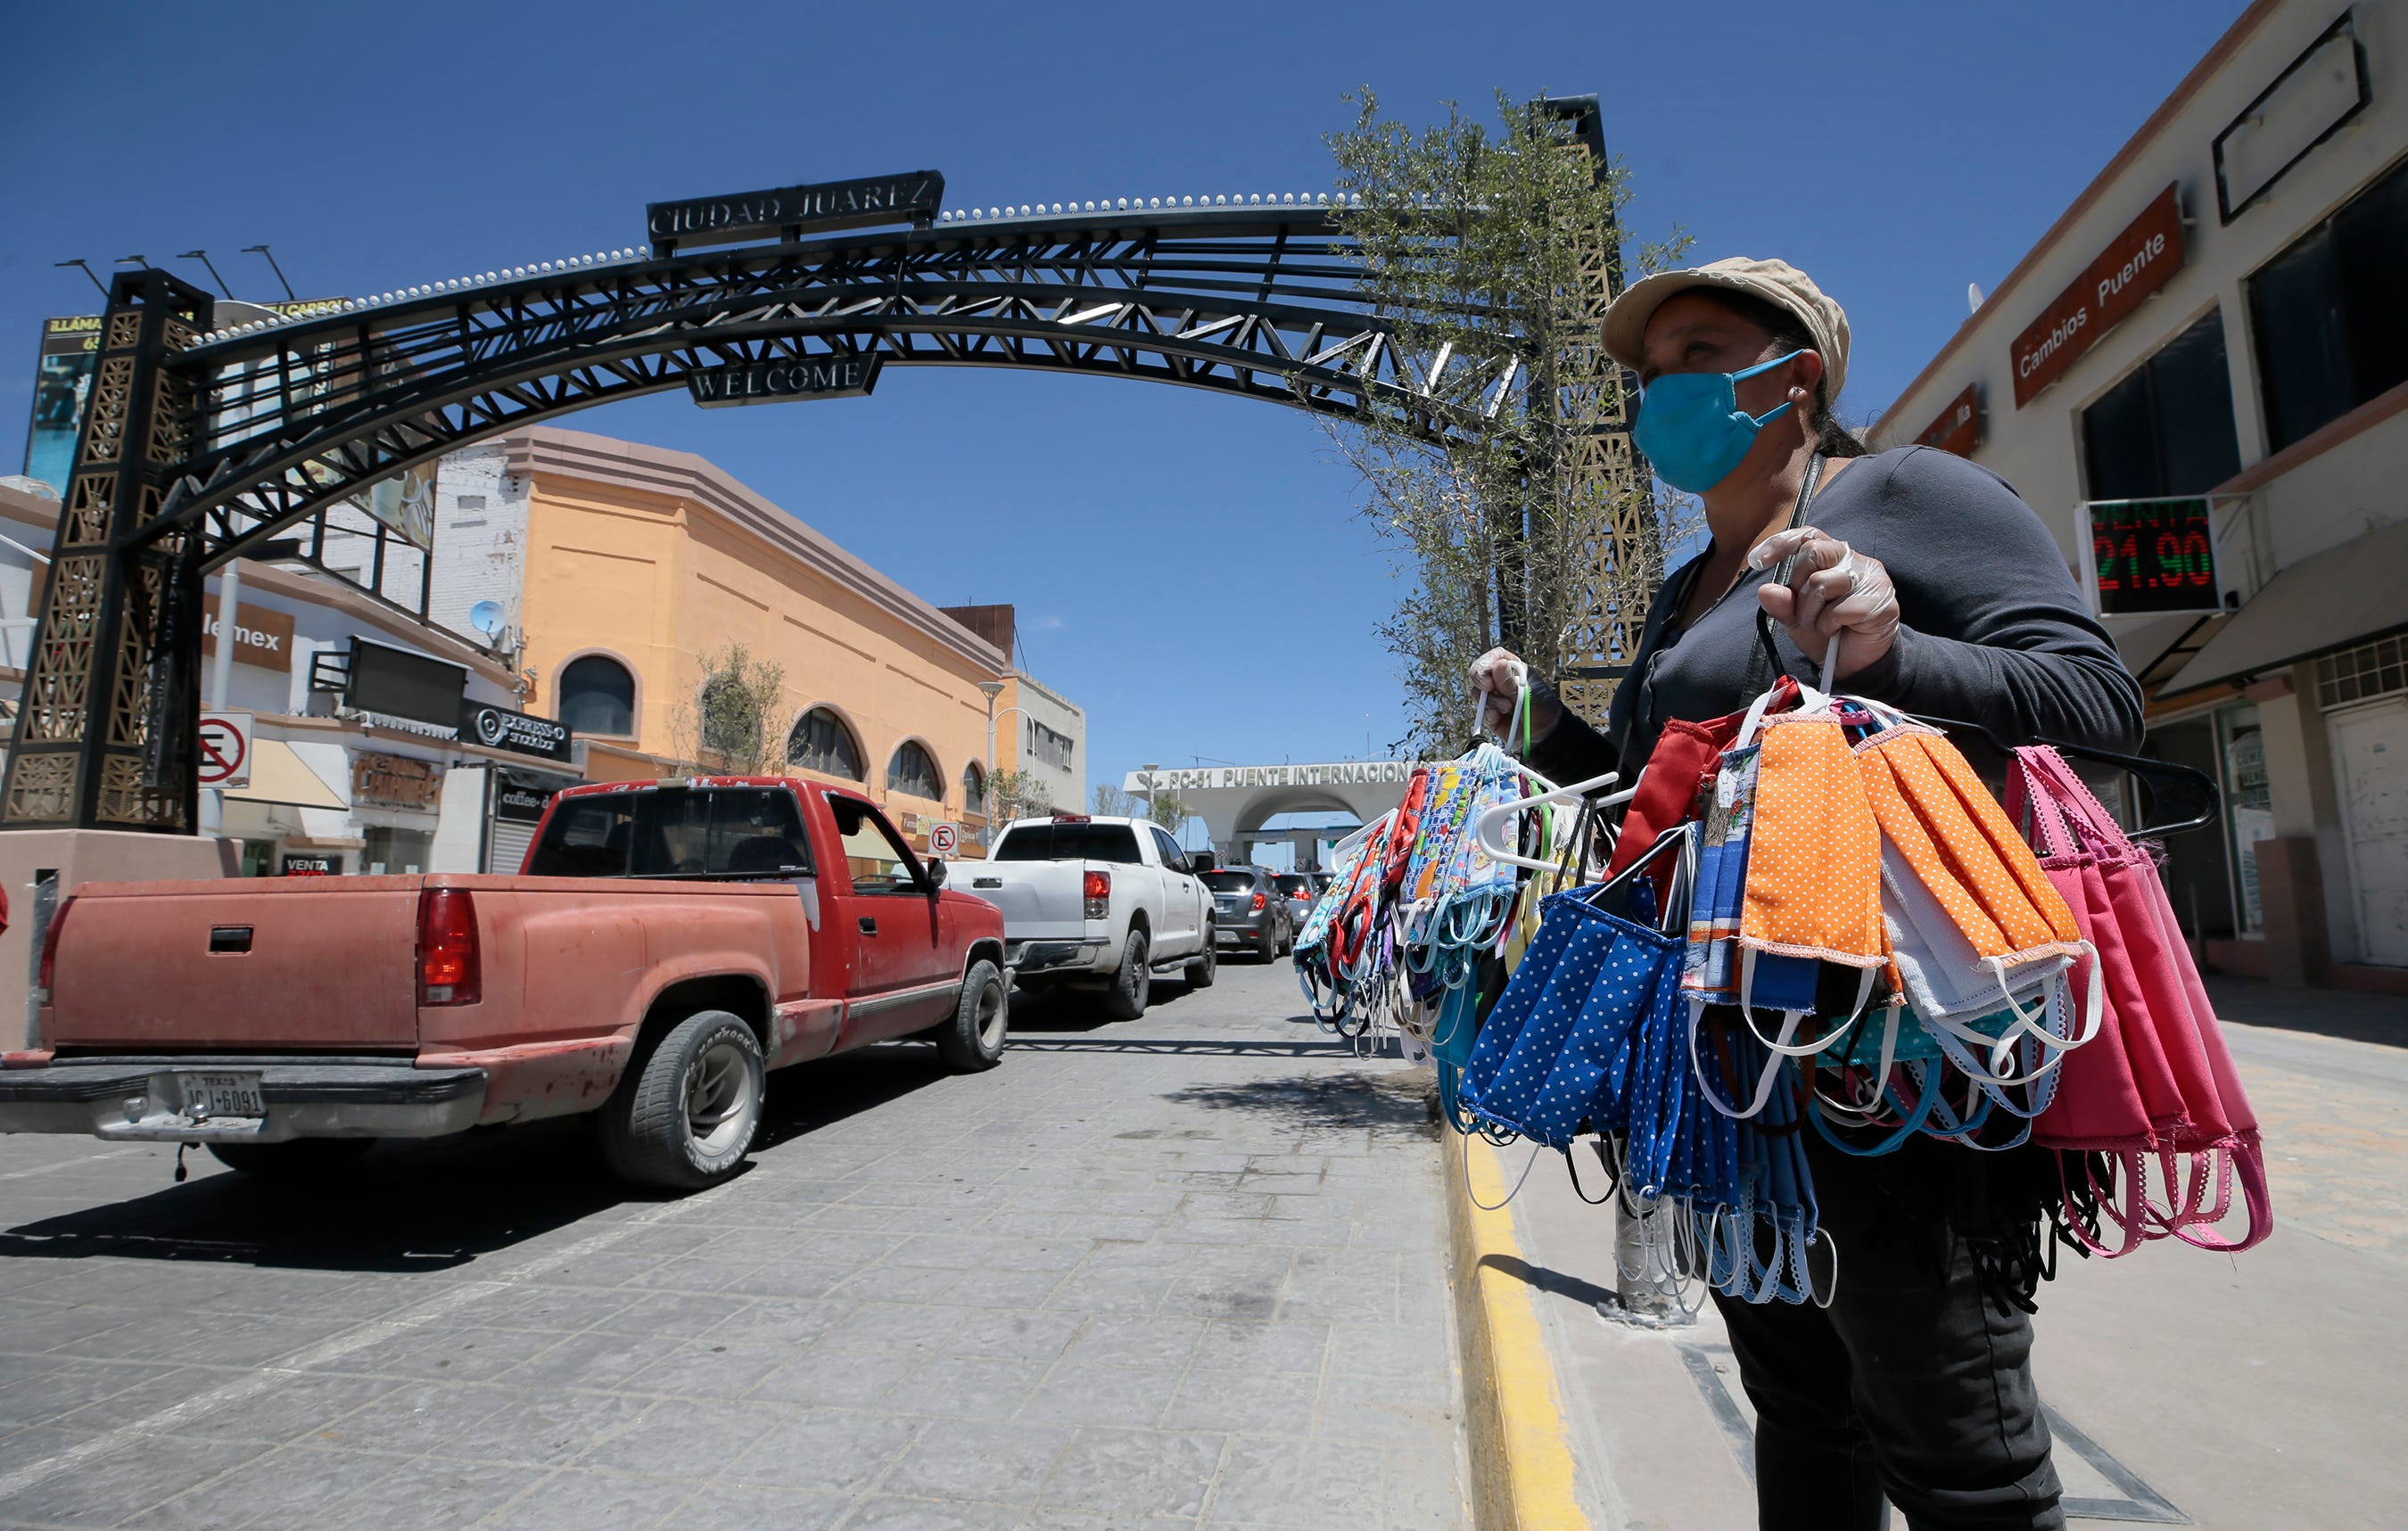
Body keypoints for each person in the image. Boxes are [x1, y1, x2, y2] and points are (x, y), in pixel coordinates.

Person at [1470, 258, 2142, 1531]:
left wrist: (1900, 649)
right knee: (1804, 1415)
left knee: (1961, 1458)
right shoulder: (1688, 587)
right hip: (1733, 1079)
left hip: (1895, 1074)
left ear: (1800, 379)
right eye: (1652, 371)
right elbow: (1651, 804)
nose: (1665, 390)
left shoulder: (1906, 492)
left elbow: (2102, 705)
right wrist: (1546, 728)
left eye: (1701, 351)